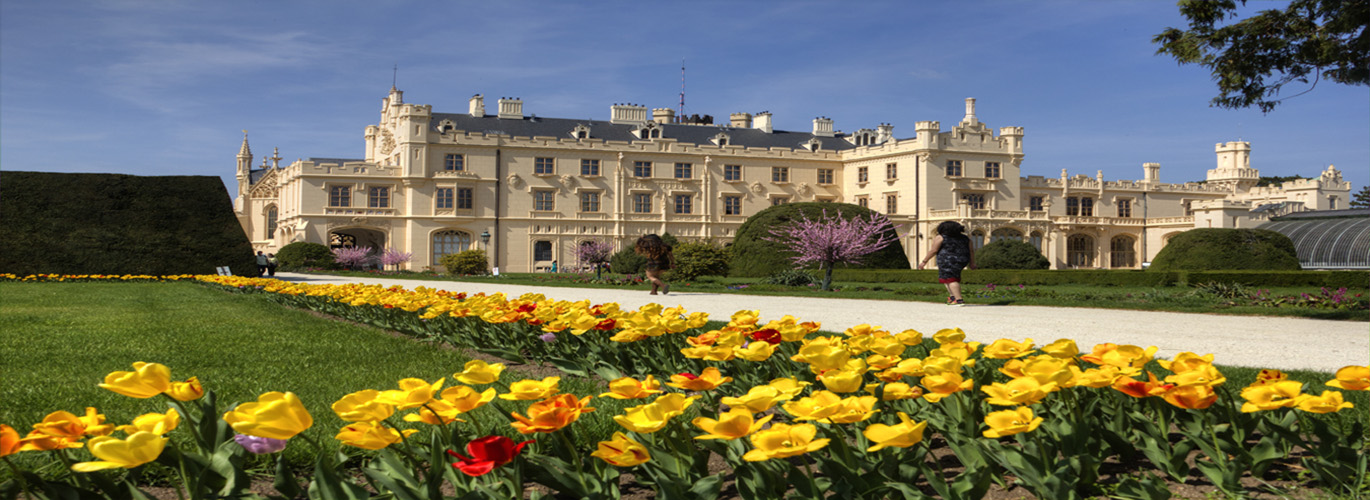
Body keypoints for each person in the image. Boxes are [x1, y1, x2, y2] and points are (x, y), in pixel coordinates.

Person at [917, 221, 975, 306]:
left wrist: (924, 262)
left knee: (951, 279)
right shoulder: (966, 238)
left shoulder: (941, 237)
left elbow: (934, 250)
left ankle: (959, 300)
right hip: (962, 260)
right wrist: (972, 263)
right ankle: (953, 298)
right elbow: (971, 251)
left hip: (947, 260)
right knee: (947, 278)